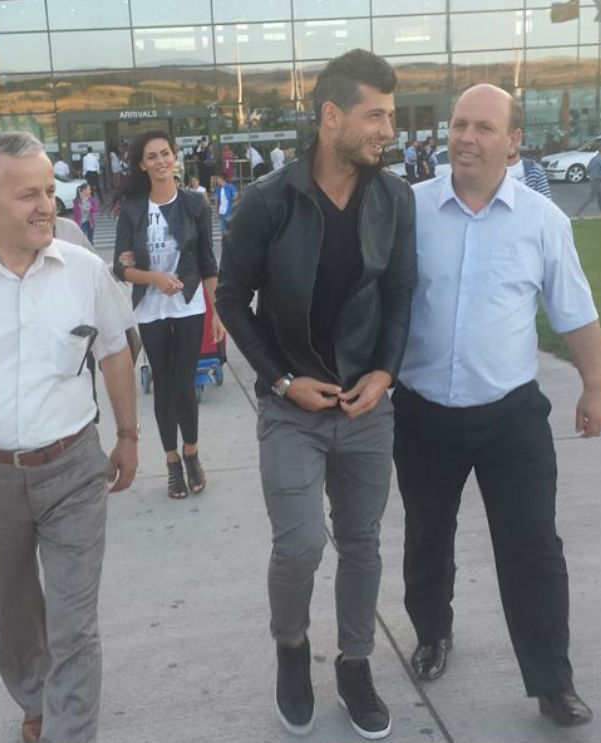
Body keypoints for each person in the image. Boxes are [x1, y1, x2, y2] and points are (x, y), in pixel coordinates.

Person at [392, 84, 601, 728]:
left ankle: (553, 683)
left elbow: (575, 311)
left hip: (510, 415)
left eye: (483, 127)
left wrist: (595, 386)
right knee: (426, 536)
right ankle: (433, 633)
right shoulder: (410, 209)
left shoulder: (542, 221)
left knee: (533, 547)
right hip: (422, 413)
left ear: (513, 143)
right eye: (459, 123)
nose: (466, 137)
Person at [216, 49, 416, 740]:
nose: (388, 130)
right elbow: (232, 298)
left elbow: (400, 293)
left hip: (367, 409)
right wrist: (280, 379)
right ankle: (293, 647)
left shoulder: (395, 199)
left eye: (390, 116)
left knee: (361, 542)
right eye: (376, 116)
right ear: (331, 116)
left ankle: (355, 662)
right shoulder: (268, 200)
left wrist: (385, 373)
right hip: (290, 409)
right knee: (300, 544)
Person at [0, 131, 139, 743]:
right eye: (27, 195)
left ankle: (68, 729)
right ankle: (34, 695)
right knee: (13, 606)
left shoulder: (83, 270)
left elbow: (115, 350)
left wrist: (129, 436)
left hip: (73, 470)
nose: (46, 207)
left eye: (48, 191)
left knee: (74, 621)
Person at [113, 130, 224, 499]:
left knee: (185, 382)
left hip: (189, 304)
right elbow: (121, 268)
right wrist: (155, 279)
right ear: (142, 165)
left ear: (175, 157)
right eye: (152, 156)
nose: (161, 161)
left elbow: (208, 262)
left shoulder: (195, 203)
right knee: (163, 383)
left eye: (165, 153)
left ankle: (192, 453)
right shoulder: (133, 208)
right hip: (150, 307)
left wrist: (217, 313)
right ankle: (171, 461)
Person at [506, 107, 552, 199]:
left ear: (519, 137)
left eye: (513, 137)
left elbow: (546, 204)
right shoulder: (487, 171)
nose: (510, 142)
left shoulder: (534, 170)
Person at [573, 143, 601, 218]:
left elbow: (588, 168)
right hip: (596, 180)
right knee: (591, 198)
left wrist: (590, 176)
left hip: (594, 180)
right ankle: (578, 212)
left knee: (600, 197)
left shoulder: (594, 158)